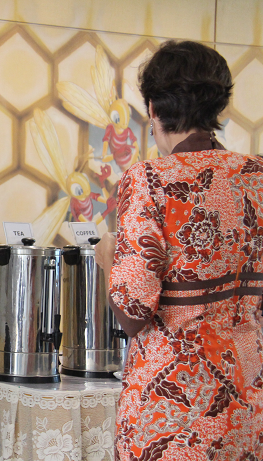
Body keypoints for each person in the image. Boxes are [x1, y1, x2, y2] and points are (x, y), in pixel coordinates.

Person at [95, 40, 263, 460]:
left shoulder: (149, 180)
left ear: (153, 108)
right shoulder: (257, 176)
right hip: (247, 403)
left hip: (171, 413)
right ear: (217, 105)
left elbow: (133, 311)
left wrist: (108, 260)